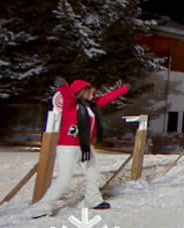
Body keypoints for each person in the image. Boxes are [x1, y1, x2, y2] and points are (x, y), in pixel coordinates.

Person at [32, 78, 130, 218]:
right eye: (90, 93)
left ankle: (93, 200)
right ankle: (43, 207)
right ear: (82, 93)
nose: (93, 95)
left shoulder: (92, 106)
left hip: (85, 146)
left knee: (93, 174)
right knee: (64, 179)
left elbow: (108, 98)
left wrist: (123, 89)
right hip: (68, 147)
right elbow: (67, 95)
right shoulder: (71, 105)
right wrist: (63, 86)